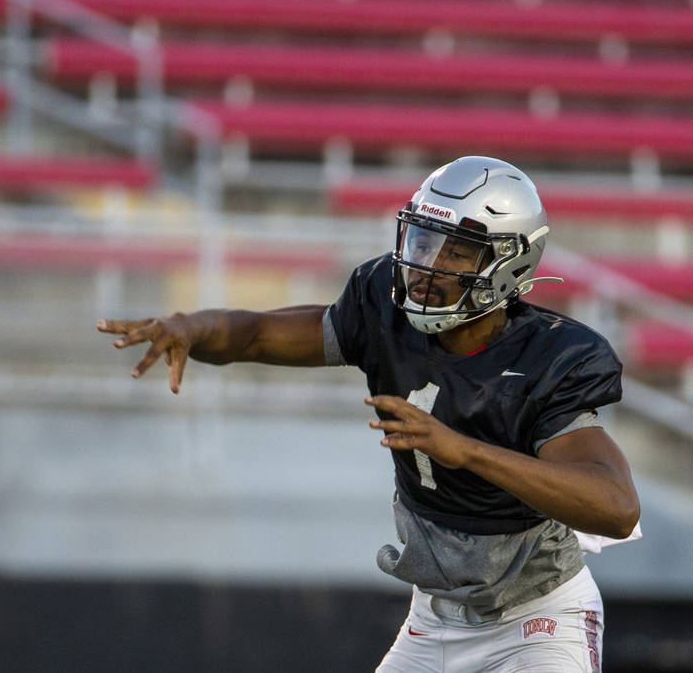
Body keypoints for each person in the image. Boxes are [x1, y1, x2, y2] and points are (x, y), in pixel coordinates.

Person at [97, 156, 641, 672]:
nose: (429, 265)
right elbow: (263, 333)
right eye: (426, 241)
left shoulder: (552, 357)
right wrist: (194, 328)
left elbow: (616, 508)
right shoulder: (384, 305)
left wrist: (466, 451)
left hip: (536, 619)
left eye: (456, 252)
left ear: (509, 260)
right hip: (434, 618)